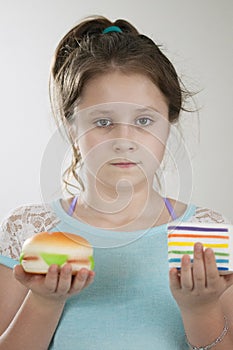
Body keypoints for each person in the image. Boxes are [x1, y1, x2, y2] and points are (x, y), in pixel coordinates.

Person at [0, 15, 232, 350]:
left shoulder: (205, 234)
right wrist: (45, 302)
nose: (125, 140)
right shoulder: (26, 230)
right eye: (104, 121)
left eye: (144, 120)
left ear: (169, 122)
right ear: (71, 129)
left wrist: (201, 309)